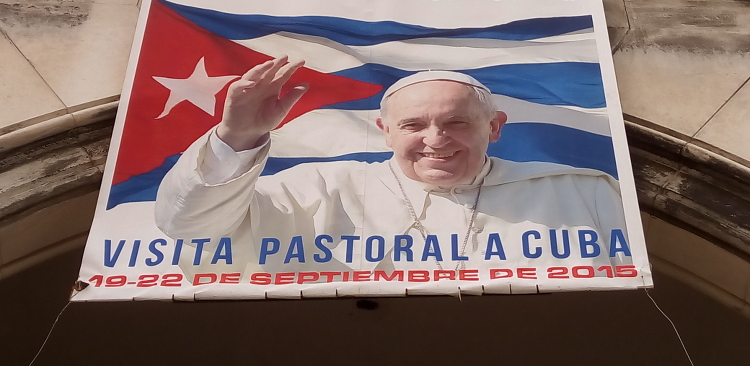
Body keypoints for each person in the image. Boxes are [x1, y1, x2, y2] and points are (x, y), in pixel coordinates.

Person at [155, 56, 632, 281]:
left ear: (496, 127)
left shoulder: (583, 195)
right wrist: (236, 138)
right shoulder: (318, 188)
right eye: (413, 125)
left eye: (456, 122)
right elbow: (188, 226)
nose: (434, 139)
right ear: (385, 131)